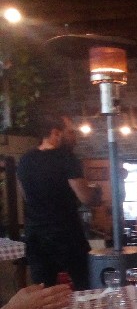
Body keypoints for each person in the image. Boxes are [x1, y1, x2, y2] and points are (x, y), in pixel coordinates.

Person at [17, 115, 99, 290]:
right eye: (70, 132)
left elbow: (25, 196)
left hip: (35, 235)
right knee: (85, 284)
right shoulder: (66, 158)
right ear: (56, 133)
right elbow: (85, 197)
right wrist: (95, 191)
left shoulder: (25, 160)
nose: (75, 137)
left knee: (44, 290)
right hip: (66, 233)